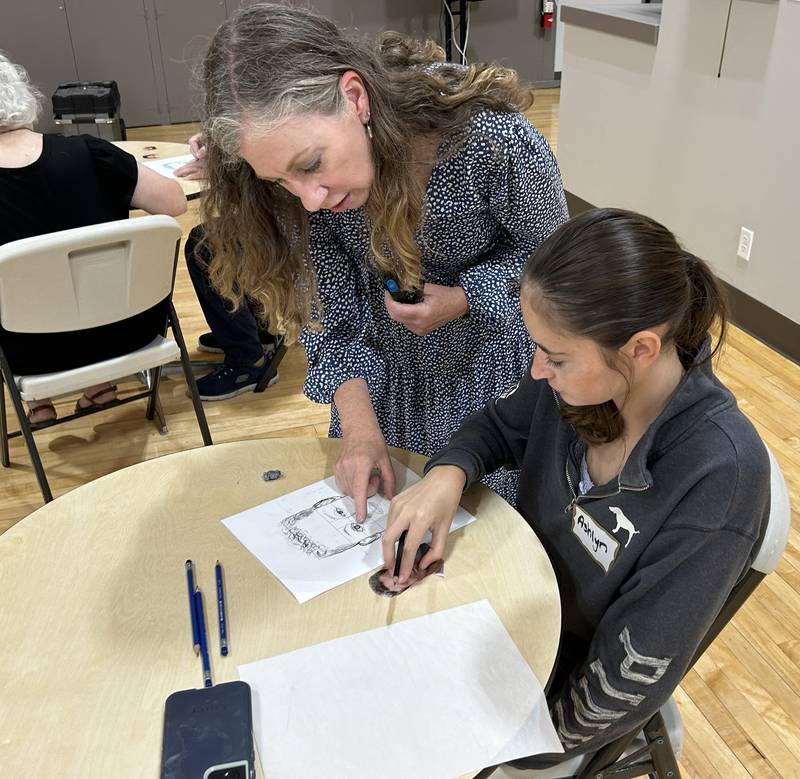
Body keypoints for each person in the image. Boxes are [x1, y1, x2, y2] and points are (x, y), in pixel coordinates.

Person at [382, 208, 770, 770]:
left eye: (556, 357)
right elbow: (496, 428)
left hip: (558, 689)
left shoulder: (719, 473)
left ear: (640, 348)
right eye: (537, 347)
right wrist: (446, 475)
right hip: (510, 611)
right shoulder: (582, 385)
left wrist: (520, 744)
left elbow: (625, 676)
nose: (538, 370)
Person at [182, 3, 568, 510]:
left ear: (356, 97)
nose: (310, 198)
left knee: (482, 542)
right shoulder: (304, 192)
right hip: (378, 384)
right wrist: (361, 434)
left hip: (491, 382)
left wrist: (467, 296)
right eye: (280, 180)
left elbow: (556, 266)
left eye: (312, 164)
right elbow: (329, 319)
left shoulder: (488, 139)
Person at [0, 52, 186, 426]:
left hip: (31, 353)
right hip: (130, 330)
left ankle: (39, 403)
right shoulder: (90, 151)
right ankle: (101, 383)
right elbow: (175, 202)